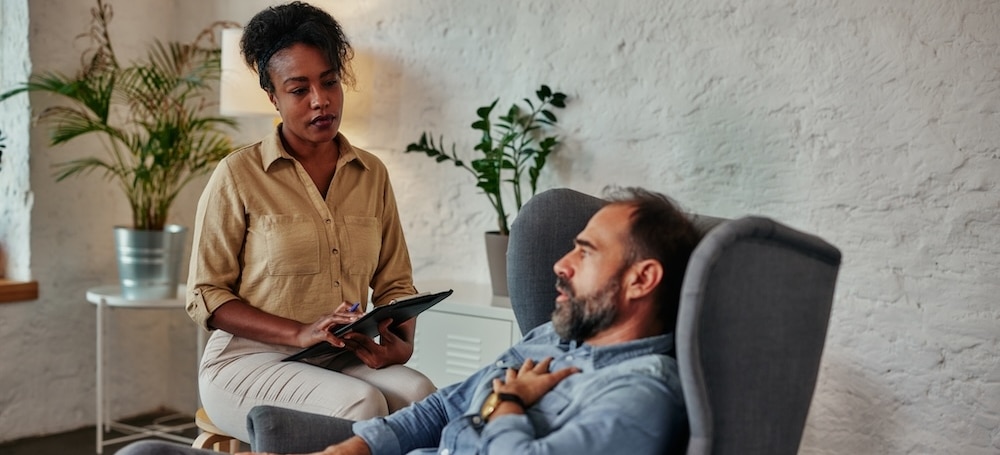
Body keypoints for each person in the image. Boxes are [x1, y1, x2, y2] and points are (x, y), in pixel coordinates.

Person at [123, 186, 699, 454]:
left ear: (641, 279)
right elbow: (449, 406)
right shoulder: (551, 338)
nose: (561, 264)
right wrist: (351, 452)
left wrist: (510, 404)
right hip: (250, 356)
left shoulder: (639, 395)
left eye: (586, 252)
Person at [185, 1, 434, 442]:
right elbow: (206, 295)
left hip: (337, 356)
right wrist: (299, 332)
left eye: (330, 82)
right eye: (299, 89)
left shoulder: (372, 173)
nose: (320, 100)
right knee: (364, 405)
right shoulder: (238, 175)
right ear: (273, 98)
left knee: (421, 395)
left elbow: (396, 283)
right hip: (244, 362)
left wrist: (400, 341)